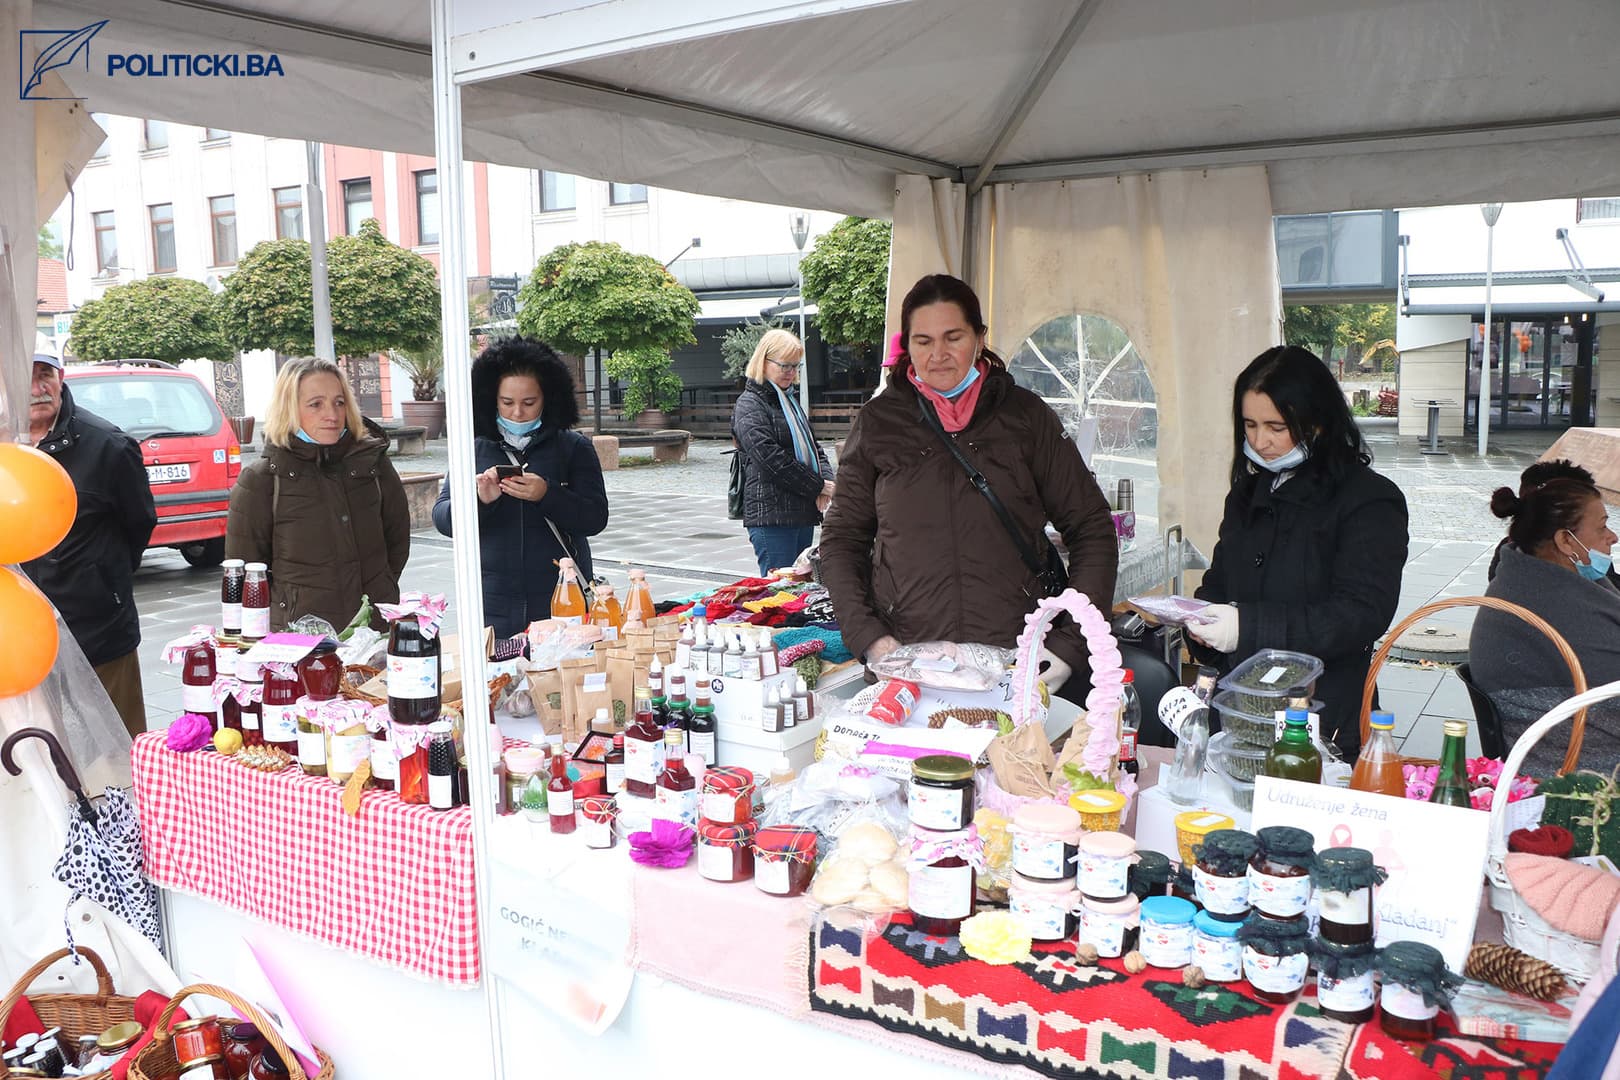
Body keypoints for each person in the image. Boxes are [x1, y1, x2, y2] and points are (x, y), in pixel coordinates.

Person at [820, 274, 1118, 692]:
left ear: (979, 337)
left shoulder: (1025, 418)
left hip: (1017, 666)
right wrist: (868, 637)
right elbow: (841, 540)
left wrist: (1070, 645)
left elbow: (1092, 528)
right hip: (908, 664)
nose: (938, 354)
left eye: (953, 337)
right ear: (908, 346)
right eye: (923, 341)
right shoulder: (879, 424)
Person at [1189, 345, 1408, 759]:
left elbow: (1362, 612)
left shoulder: (1369, 499)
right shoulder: (1247, 492)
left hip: (1324, 714)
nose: (1261, 441)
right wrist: (1198, 619)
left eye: (1276, 426)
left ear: (1318, 423)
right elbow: (1219, 579)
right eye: (1250, 425)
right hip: (1240, 711)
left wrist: (1246, 626)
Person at [433, 337, 608, 637]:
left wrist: (547, 494)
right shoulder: (473, 448)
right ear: (491, 399)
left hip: (561, 596)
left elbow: (595, 517)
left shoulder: (573, 447)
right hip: (491, 598)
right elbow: (443, 518)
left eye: (529, 403)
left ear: (548, 398)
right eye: (507, 403)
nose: (517, 413)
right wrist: (479, 502)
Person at [21, 351, 156, 739]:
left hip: (98, 629)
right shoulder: (6, 447)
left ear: (61, 377)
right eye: (24, 377)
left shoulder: (108, 446)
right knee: (43, 751)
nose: (36, 389)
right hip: (21, 636)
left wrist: (100, 580)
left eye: (45, 375)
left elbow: (139, 524)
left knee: (116, 746)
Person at [226, 357, 410, 632]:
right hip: (300, 641)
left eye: (339, 402)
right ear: (289, 409)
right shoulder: (262, 480)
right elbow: (246, 576)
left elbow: (397, 541)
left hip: (373, 630)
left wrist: (380, 589)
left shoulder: (373, 466)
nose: (332, 415)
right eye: (316, 404)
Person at [1470, 460, 1620, 775]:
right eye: (1602, 526)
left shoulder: (1530, 576)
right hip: (1579, 769)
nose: (1613, 537)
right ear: (1566, 540)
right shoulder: (1557, 605)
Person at [730, 329, 833, 576]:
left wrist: (827, 482)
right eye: (785, 366)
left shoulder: (788, 401)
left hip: (801, 511)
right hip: (771, 516)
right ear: (763, 361)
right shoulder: (750, 404)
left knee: (803, 588)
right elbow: (770, 458)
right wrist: (817, 485)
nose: (792, 373)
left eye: (796, 366)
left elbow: (813, 447)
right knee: (780, 593)